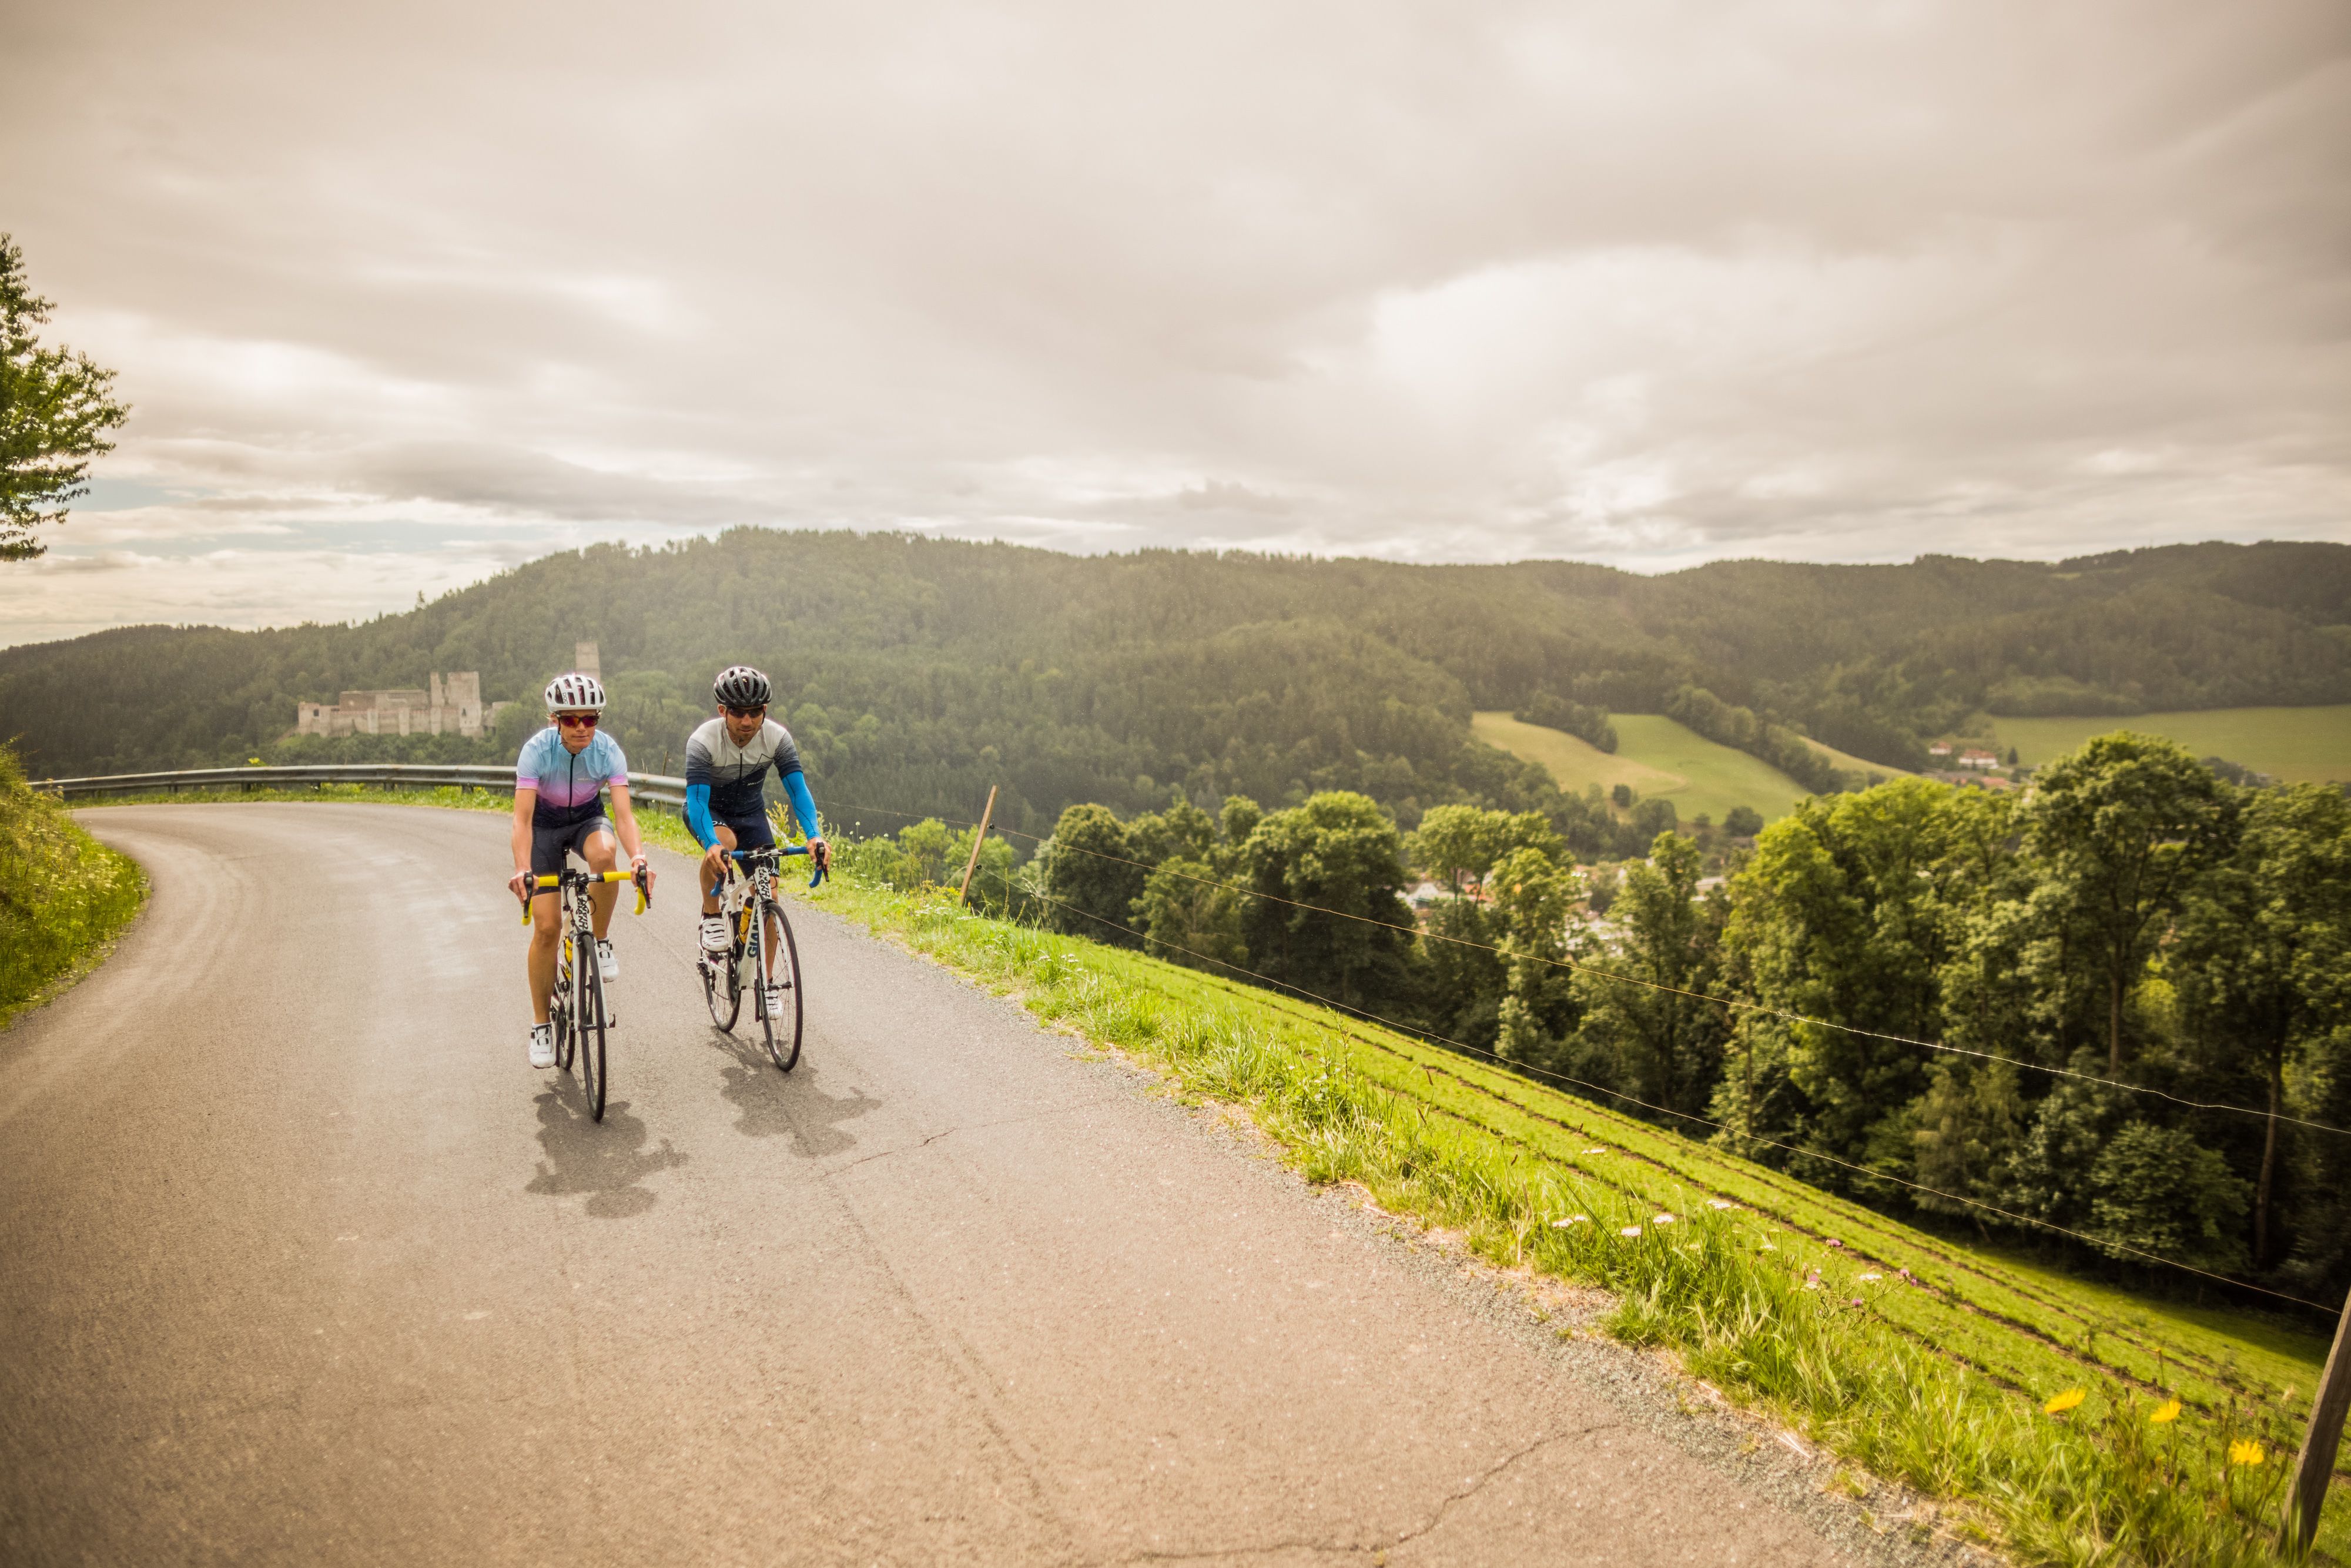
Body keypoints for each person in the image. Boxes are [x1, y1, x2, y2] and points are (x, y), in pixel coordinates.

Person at [507, 672, 652, 1069]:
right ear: (555, 720)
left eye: (590, 719)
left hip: (588, 819)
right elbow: (521, 820)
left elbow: (623, 817)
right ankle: (541, 1024)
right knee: (549, 928)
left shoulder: (607, 751)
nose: (582, 728)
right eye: (571, 720)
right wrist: (523, 869)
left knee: (606, 858)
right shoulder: (536, 751)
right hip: (544, 829)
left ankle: (599, 939)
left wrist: (638, 857)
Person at [684, 666, 830, 1013]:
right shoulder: (703, 741)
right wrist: (711, 844)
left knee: (770, 895)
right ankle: (711, 915)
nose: (747, 721)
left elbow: (798, 791)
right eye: (737, 713)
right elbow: (698, 802)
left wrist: (814, 836)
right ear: (723, 711)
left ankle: (769, 985)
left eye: (755, 713)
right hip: (709, 813)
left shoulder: (777, 739)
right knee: (724, 845)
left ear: (765, 710)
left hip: (752, 816)